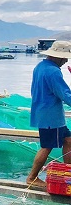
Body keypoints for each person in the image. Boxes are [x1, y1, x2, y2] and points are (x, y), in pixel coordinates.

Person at [26, 40, 71, 188]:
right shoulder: (53, 71)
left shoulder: (40, 66)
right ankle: (32, 177)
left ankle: (68, 173)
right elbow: (64, 94)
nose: (65, 60)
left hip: (43, 112)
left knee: (68, 140)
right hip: (51, 116)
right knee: (47, 146)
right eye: (64, 57)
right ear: (58, 56)